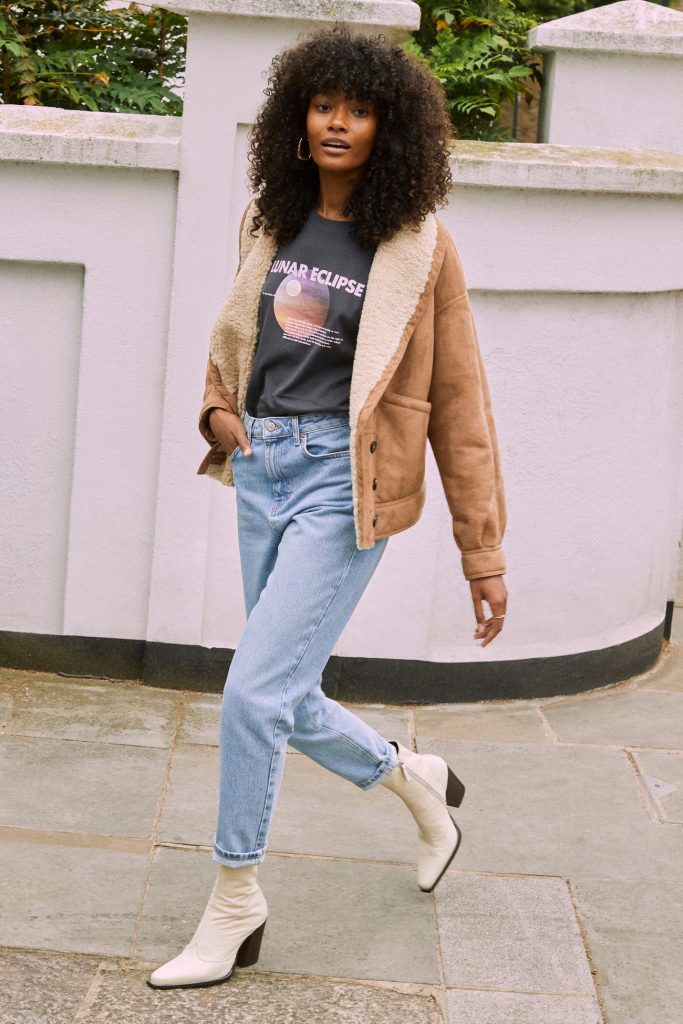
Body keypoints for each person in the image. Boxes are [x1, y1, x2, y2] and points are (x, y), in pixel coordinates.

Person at [148, 23, 508, 991]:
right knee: (286, 691)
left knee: (253, 694)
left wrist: (483, 554)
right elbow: (239, 344)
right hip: (261, 467)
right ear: (297, 118)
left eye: (356, 108)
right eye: (321, 104)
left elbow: (462, 406)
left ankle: (234, 901)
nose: (336, 121)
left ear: (387, 127)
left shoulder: (418, 248)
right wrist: (217, 412)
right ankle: (416, 782)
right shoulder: (270, 218)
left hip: (344, 487)